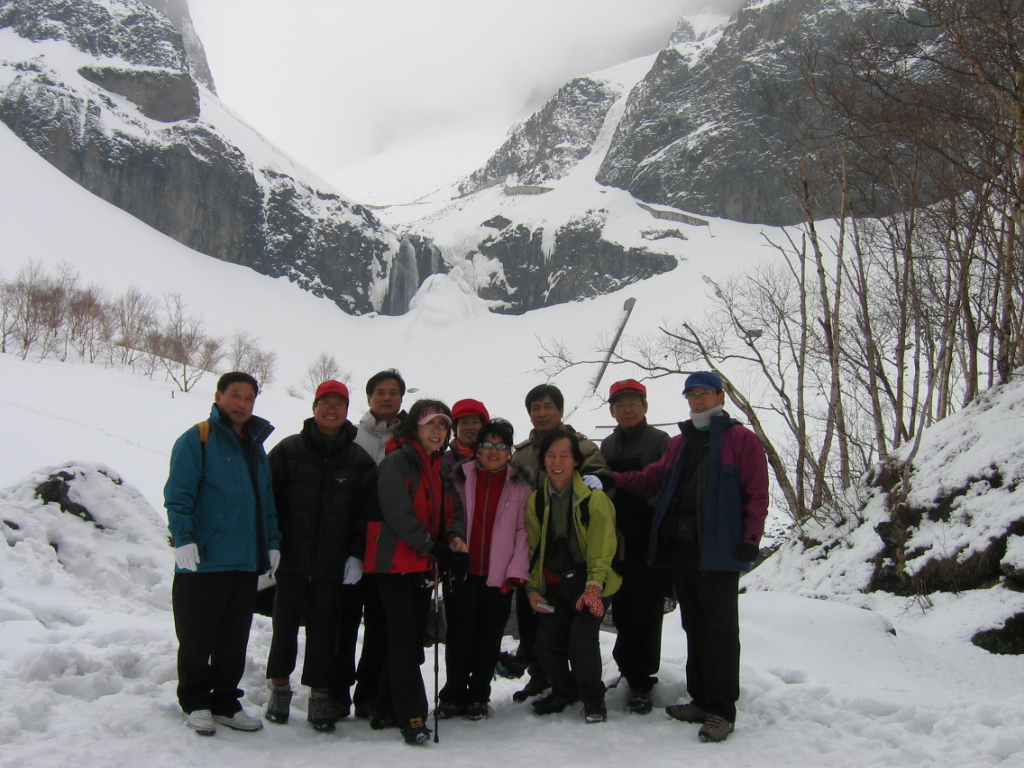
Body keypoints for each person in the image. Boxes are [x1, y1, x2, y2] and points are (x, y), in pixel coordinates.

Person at [610, 371, 769, 743]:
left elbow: (757, 492)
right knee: (694, 625)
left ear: (720, 397)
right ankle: (701, 700)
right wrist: (612, 479)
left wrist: (751, 537)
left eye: (704, 393)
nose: (697, 400)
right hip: (681, 548)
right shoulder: (681, 443)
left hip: (719, 550)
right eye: (691, 395)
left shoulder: (742, 440)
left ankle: (722, 711)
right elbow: (652, 478)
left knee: (720, 630)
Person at [164, 371, 281, 736]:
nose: (242, 404)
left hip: (244, 562)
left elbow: (266, 501)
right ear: (218, 397)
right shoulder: (197, 439)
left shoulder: (255, 447)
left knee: (233, 639)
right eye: (235, 395)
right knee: (197, 638)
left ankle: (226, 702)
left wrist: (272, 542)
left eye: (249, 398)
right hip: (205, 560)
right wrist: (183, 538)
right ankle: (195, 701)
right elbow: (179, 494)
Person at [264, 380, 377, 731]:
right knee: (284, 626)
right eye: (325, 403)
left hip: (333, 564)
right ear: (314, 407)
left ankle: (320, 695)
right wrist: (270, 543)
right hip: (291, 559)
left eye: (338, 404)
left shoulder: (359, 460)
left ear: (347, 411)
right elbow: (267, 500)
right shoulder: (288, 450)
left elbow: (365, 514)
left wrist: (356, 554)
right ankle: (279, 689)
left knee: (325, 630)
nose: (331, 409)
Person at [364, 399, 468, 745]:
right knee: (405, 640)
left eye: (443, 425)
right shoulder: (398, 462)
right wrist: (432, 545)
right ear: (415, 428)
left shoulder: (440, 466)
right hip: (395, 564)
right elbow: (398, 513)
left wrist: (453, 537)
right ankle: (412, 714)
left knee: (404, 638)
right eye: (431, 424)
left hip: (423, 563)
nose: (438, 431)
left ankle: (384, 705)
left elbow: (452, 510)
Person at [509, 383, 611, 701]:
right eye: (535, 407)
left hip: (574, 550)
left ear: (561, 410)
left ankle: (578, 682)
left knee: (572, 625)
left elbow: (601, 475)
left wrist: (599, 480)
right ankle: (540, 675)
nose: (542, 413)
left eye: (548, 407)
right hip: (535, 548)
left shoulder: (581, 445)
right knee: (531, 616)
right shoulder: (522, 453)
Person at [436, 418, 531, 720]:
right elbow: (447, 518)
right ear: (477, 449)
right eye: (487, 444)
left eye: (501, 445)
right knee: (459, 636)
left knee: (489, 639)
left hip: (498, 576)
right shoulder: (459, 477)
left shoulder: (520, 485)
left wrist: (516, 571)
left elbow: (524, 531)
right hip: (463, 572)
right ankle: (452, 695)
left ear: (509, 450)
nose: (494, 451)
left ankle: (478, 695)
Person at [524, 428, 621, 724]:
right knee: (544, 643)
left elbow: (602, 550)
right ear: (543, 461)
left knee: (582, 638)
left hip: (592, 582)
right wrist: (532, 589)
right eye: (551, 455)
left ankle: (593, 697)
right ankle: (565, 690)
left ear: (576, 461)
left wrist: (593, 587)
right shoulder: (537, 501)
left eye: (564, 456)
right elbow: (533, 551)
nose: (557, 462)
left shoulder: (595, 500)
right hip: (557, 586)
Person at [332, 369, 407, 718]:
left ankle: (369, 696)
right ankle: (336, 694)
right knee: (343, 623)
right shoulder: (351, 434)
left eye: (393, 392)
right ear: (369, 397)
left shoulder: (410, 437)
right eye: (380, 392)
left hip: (391, 546)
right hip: (350, 542)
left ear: (401, 399)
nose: (387, 397)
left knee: (380, 624)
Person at [600, 379, 670, 714]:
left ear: (645, 407)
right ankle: (628, 669)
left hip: (648, 537)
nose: (627, 410)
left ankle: (642, 680)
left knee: (647, 608)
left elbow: (667, 484)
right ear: (612, 410)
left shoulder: (660, 441)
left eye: (633, 403)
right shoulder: (608, 444)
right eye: (620, 404)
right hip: (616, 538)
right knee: (623, 608)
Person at [442, 398, 490, 471]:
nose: (469, 427)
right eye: (464, 422)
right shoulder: (441, 461)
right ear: (455, 427)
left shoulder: (494, 458)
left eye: (475, 422)